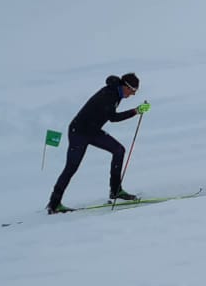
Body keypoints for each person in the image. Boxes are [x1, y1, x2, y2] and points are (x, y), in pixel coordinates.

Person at [48, 72, 149, 213]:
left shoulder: (117, 93)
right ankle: (54, 204)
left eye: (135, 92)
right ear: (125, 86)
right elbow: (113, 118)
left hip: (93, 131)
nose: (132, 94)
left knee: (119, 150)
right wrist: (135, 111)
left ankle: (116, 191)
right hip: (79, 132)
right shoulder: (109, 95)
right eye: (132, 91)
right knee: (71, 168)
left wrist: (135, 111)